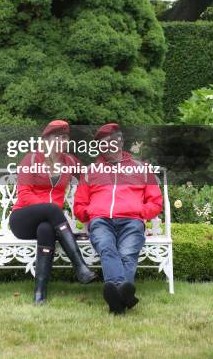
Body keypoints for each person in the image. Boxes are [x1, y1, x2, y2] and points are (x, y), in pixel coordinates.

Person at [73, 123, 163, 314]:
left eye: (111, 142)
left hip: (132, 221)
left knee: (127, 252)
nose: (107, 147)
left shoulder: (141, 168)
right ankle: (124, 293)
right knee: (107, 248)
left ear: (120, 142)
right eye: (103, 144)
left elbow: (155, 202)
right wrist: (91, 212)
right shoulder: (90, 172)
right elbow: (79, 206)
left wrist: (139, 212)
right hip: (101, 221)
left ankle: (117, 299)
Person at [9, 119, 97, 304]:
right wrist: (47, 209)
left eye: (65, 137)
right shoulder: (31, 159)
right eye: (57, 137)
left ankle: (39, 294)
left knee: (46, 230)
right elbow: (24, 194)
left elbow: (90, 179)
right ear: (46, 140)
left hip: (49, 223)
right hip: (22, 219)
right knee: (51, 210)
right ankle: (80, 267)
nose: (62, 141)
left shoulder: (70, 161)